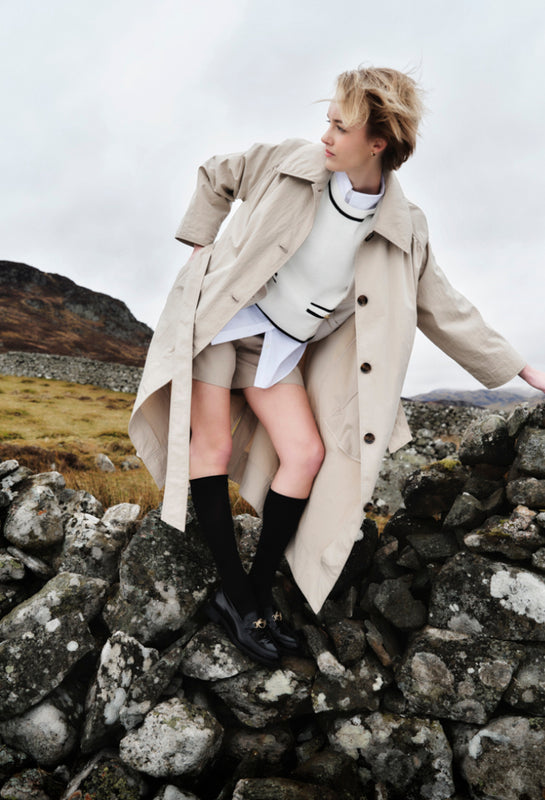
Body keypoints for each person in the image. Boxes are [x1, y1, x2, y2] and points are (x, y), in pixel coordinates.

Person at [129, 66, 545, 666]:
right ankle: (238, 599)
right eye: (327, 120)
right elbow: (217, 173)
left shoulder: (404, 227)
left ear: (377, 143)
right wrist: (201, 249)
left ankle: (256, 590)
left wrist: (520, 367)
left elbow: (443, 305)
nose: (325, 134)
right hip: (222, 317)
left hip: (279, 345)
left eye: (340, 126)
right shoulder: (288, 161)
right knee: (211, 446)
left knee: (307, 455)